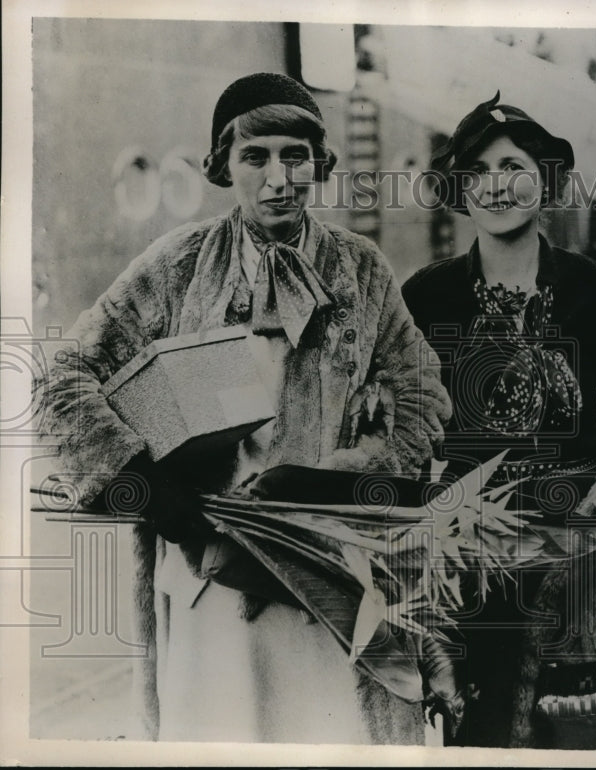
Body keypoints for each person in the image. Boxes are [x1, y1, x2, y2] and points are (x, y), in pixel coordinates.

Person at [36, 72, 451, 744]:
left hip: (326, 580)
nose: (278, 177)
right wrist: (142, 484)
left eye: (295, 155)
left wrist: (340, 481)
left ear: (319, 162)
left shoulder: (360, 270)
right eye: (255, 157)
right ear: (224, 165)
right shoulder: (178, 266)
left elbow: (423, 394)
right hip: (210, 581)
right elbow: (63, 379)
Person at [401, 92, 596, 746]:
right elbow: (407, 434)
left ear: (544, 180)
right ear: (460, 189)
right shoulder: (427, 298)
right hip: (469, 556)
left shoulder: (592, 289)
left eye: (513, 166)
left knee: (578, 728)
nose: (497, 186)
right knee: (483, 731)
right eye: (478, 172)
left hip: (578, 546)